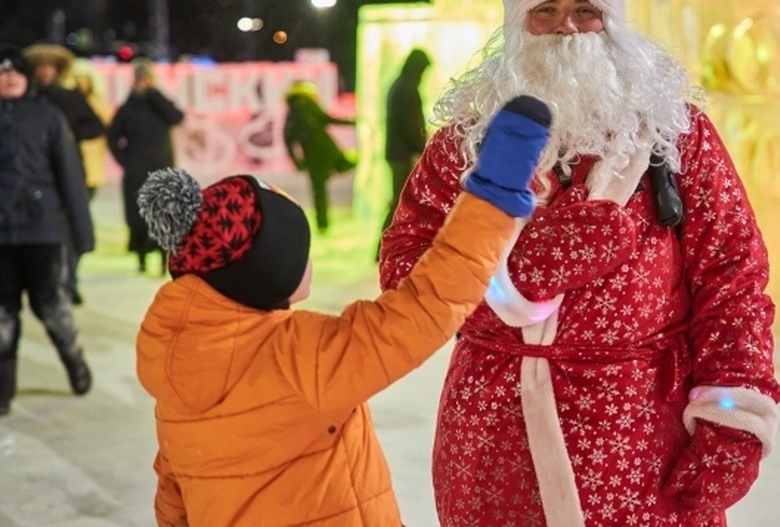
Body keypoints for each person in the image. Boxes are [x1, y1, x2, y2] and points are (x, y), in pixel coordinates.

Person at [378, 0, 780, 526]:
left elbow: (733, 278)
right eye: (545, 11)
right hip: (494, 434)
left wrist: (733, 416)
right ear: (517, 26)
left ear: (612, 21)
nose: (566, 29)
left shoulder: (677, 135)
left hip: (643, 430)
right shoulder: (463, 144)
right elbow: (404, 275)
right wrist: (528, 270)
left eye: (584, 10)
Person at [134, 95, 552, 525]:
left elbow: (174, 492)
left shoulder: (178, 368)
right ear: (268, 272)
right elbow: (427, 303)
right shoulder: (300, 360)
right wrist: (495, 195)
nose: (310, 262)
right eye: (301, 252)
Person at [0, 45, 94, 416]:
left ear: (26, 78)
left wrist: (82, 232)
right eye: (2, 72)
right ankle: (3, 389)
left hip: (43, 231)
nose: (9, 77)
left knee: (53, 307)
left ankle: (74, 360)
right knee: (2, 315)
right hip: (2, 236)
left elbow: (70, 176)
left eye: (15, 72)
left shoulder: (48, 117)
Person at [24, 43, 106, 305]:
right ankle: (43, 282)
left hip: (70, 173)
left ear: (58, 70)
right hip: (34, 176)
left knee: (72, 230)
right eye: (40, 67)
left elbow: (95, 127)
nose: (45, 72)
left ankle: (69, 282)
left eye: (49, 67)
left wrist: (68, 136)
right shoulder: (26, 100)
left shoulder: (71, 98)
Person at [107, 58, 185, 275]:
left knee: (163, 217)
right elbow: (113, 137)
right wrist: (126, 162)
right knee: (139, 218)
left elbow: (177, 117)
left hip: (162, 170)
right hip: (136, 172)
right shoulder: (128, 106)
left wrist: (154, 93)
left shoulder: (158, 103)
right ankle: (141, 257)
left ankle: (162, 261)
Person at [282, 79, 356, 233]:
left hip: (312, 155)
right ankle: (330, 221)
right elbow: (327, 119)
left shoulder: (292, 113)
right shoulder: (308, 105)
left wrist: (297, 160)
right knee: (350, 165)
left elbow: (288, 138)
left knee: (319, 190)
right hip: (327, 149)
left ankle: (322, 224)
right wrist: (353, 122)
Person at [378, 48, 431, 254]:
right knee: (399, 202)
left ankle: (386, 245)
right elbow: (410, 125)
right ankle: (385, 246)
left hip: (397, 153)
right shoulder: (407, 88)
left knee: (398, 201)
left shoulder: (399, 86)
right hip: (403, 154)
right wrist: (419, 147)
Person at [66, 58, 114, 199]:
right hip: (73, 149)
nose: (82, 83)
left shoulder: (98, 100)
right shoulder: (68, 101)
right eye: (78, 79)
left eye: (85, 79)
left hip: (94, 150)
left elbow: (106, 122)